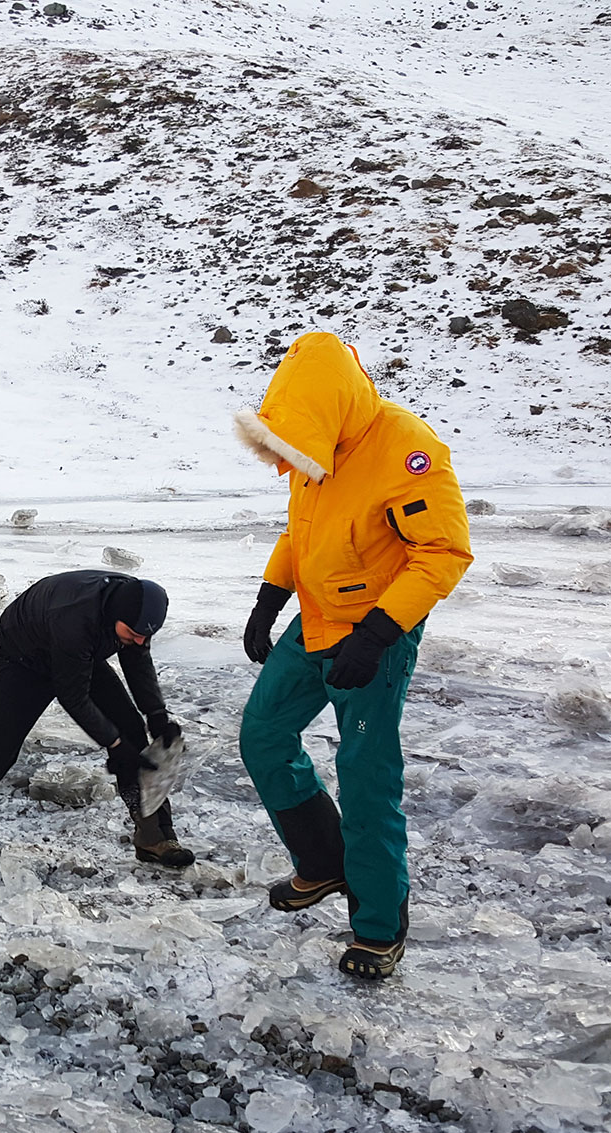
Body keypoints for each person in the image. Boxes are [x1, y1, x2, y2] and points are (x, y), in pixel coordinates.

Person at [235, 333, 473, 979]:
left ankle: (378, 923)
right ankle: (322, 863)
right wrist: (268, 598)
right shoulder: (316, 446)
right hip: (313, 622)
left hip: (377, 632)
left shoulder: (407, 449)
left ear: (330, 407)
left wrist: (376, 636)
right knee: (262, 735)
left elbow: (442, 555)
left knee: (366, 776)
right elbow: (300, 533)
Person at [0, 570, 194, 879]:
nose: (139, 640)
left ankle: (155, 837)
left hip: (82, 654)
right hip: (24, 661)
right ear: (116, 616)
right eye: (133, 633)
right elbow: (74, 696)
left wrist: (156, 715)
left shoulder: (133, 611)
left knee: (133, 733)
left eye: (145, 635)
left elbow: (136, 658)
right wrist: (114, 744)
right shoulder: (74, 619)